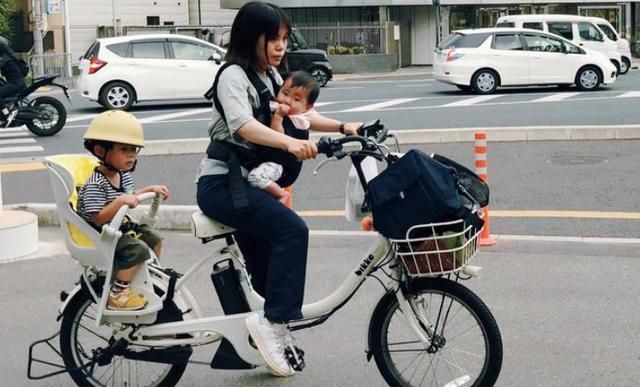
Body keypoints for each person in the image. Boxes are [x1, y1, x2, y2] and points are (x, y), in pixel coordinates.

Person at [196, 1, 361, 377]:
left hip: (246, 183)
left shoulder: (271, 76)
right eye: (272, 38)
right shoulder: (232, 76)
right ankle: (272, 326)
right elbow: (242, 125)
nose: (280, 45)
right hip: (222, 182)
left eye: (285, 38)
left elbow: (302, 114)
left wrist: (344, 128)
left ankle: (271, 329)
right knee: (291, 230)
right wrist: (288, 144)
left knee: (267, 266)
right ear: (250, 36)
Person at [77, 110, 170, 311]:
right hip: (104, 234)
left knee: (153, 238)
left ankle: (149, 274)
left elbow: (131, 195)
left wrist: (148, 190)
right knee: (137, 248)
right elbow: (98, 218)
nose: (131, 155)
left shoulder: (123, 175)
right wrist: (120, 201)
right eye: (124, 149)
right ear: (101, 151)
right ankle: (118, 292)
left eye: (134, 150)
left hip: (120, 227)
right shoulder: (95, 184)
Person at [247, 70, 320, 203]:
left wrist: (278, 117)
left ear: (307, 107)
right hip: (275, 162)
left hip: (280, 166)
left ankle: (281, 194)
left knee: (255, 177)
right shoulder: (295, 114)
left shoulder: (300, 121)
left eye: (296, 99)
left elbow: (278, 137)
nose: (287, 100)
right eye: (285, 93)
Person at [0, 37, 27, 110]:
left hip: (16, 83)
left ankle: (5, 114)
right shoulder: (8, 56)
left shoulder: (4, 58)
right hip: (16, 82)